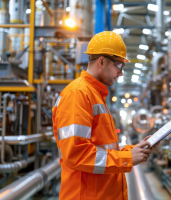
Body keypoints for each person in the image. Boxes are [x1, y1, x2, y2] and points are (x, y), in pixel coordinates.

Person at [52, 31, 159, 200]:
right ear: (102, 61)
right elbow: (75, 154)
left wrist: (135, 150)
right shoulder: (78, 93)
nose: (121, 73)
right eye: (119, 65)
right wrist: (126, 158)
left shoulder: (95, 95)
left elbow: (104, 150)